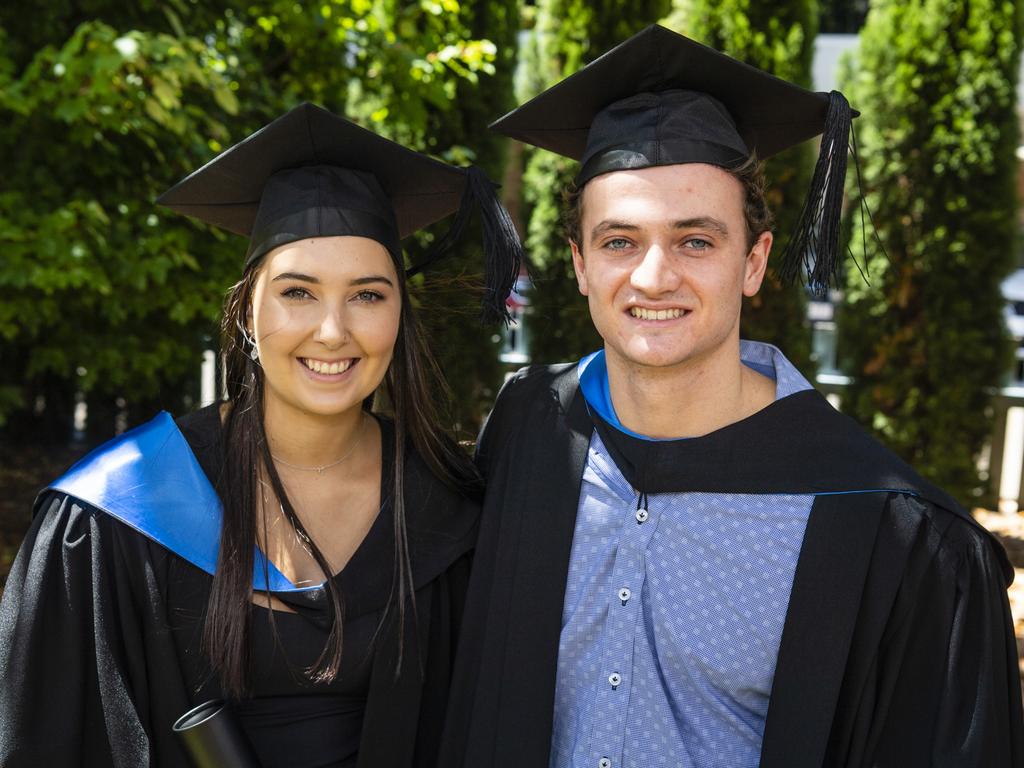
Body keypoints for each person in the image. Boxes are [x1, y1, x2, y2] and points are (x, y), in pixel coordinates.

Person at [440, 25, 1024, 768]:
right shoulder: (530, 431)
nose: (654, 278)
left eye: (695, 241)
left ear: (753, 262)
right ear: (580, 264)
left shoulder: (881, 525)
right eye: (621, 242)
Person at [0, 102, 521, 767]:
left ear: (401, 313)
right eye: (297, 292)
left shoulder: (449, 506)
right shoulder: (120, 511)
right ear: (247, 307)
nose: (333, 330)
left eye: (368, 295)